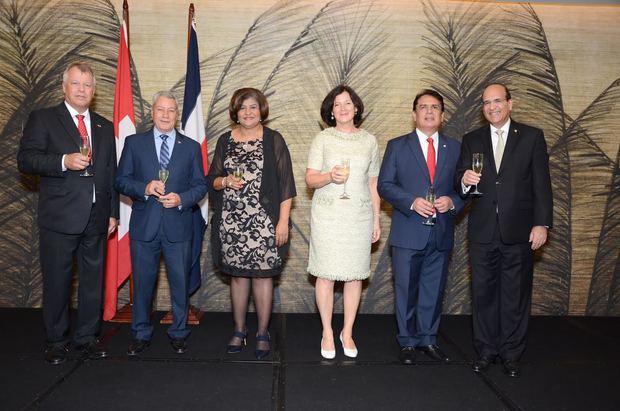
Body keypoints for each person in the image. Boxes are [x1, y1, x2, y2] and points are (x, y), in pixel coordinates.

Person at [17, 62, 119, 365]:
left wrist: (112, 212)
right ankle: (56, 340)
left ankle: (86, 338)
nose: (82, 90)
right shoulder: (44, 119)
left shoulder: (104, 125)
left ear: (94, 90)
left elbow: (110, 172)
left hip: (97, 217)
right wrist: (62, 161)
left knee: (92, 282)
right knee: (58, 282)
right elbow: (26, 160)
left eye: (88, 85)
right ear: (64, 87)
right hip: (60, 218)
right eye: (76, 83)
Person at [456, 83, 553, 377]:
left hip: (520, 230)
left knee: (515, 294)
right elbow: (460, 183)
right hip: (483, 230)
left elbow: (542, 185)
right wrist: (464, 180)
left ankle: (512, 353)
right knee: (483, 294)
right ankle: (486, 350)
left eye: (497, 101)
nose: (492, 107)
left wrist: (542, 223)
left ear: (510, 103)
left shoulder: (532, 137)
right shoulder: (472, 138)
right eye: (486, 103)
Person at [115, 91, 207, 356]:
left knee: (180, 283)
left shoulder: (190, 147)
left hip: (178, 226)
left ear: (177, 115)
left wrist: (181, 198)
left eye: (171, 111)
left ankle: (179, 332)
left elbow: (200, 185)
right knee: (143, 284)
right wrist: (144, 187)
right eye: (161, 110)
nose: (166, 115)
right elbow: (120, 180)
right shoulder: (134, 143)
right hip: (145, 227)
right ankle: (141, 333)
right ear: (152, 112)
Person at [207, 88, 296, 360]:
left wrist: (282, 222)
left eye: (253, 107)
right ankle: (239, 329)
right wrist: (224, 182)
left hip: (264, 223)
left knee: (263, 276)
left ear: (261, 111)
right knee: (238, 276)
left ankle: (262, 332)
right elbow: (212, 179)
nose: (248, 112)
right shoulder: (225, 140)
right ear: (235, 112)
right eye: (243, 107)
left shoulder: (273, 140)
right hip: (232, 221)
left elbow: (286, 187)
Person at [378, 90, 464, 365]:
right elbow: (385, 185)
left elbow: (466, 189)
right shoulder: (397, 146)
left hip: (440, 232)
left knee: (433, 289)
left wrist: (452, 201)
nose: (429, 111)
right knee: (405, 289)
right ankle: (406, 343)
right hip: (407, 231)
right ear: (414, 114)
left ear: (442, 115)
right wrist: (412, 202)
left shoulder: (456, 148)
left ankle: (428, 339)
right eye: (423, 107)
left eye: (435, 107)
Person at [305, 85, 381, 359]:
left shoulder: (370, 141)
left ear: (356, 107)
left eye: (347, 103)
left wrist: (376, 219)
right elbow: (310, 179)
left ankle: (346, 332)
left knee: (354, 276)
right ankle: (327, 331)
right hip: (328, 216)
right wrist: (329, 177)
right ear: (331, 111)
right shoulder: (322, 139)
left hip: (358, 217)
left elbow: (373, 183)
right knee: (324, 275)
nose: (343, 108)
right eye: (337, 104)